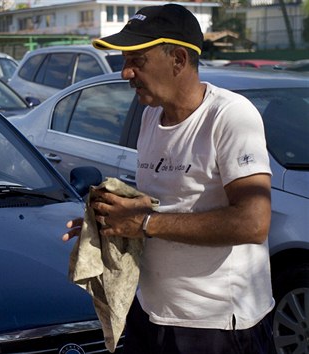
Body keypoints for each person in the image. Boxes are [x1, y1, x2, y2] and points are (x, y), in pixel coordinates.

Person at [62, 4, 274, 353]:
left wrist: (143, 223)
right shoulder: (150, 119)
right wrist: (107, 221)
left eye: (137, 61)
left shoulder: (230, 116)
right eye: (124, 61)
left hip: (216, 327)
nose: (125, 73)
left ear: (178, 59)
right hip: (153, 315)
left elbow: (253, 223)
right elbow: (169, 201)